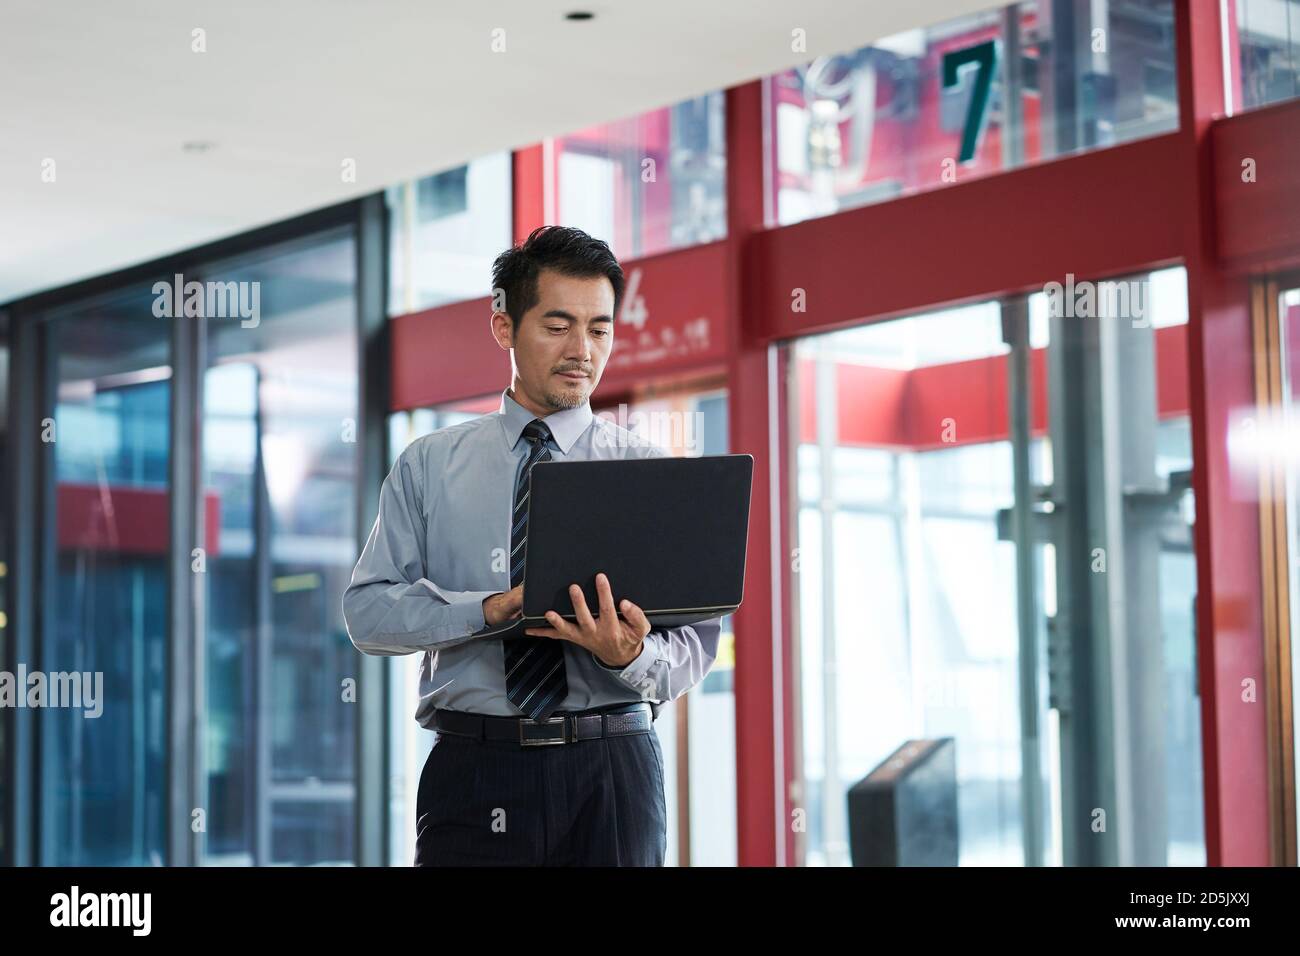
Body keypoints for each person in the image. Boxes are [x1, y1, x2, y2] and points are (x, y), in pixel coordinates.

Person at [342, 225, 724, 866]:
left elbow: (694, 644)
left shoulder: (650, 474)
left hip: (614, 772)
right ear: (503, 326)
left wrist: (629, 657)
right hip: (473, 771)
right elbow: (369, 615)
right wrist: (487, 610)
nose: (582, 350)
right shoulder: (429, 466)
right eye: (557, 325)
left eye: (599, 329)